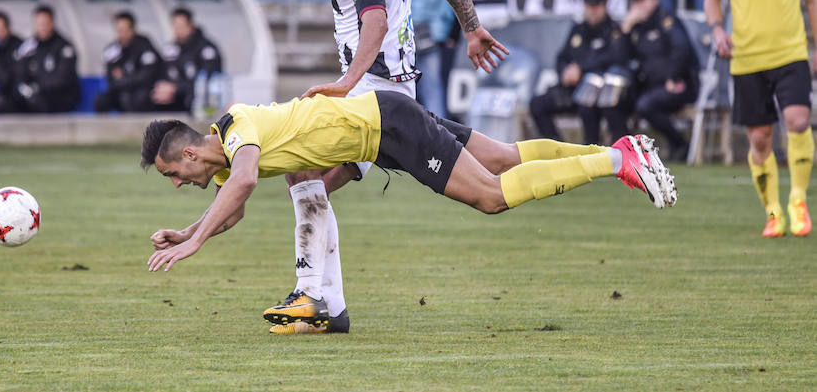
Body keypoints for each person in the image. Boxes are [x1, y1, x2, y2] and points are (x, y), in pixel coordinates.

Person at [139, 94, 679, 324]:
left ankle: (615, 160)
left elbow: (247, 182)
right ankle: (619, 149)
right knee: (503, 157)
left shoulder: (234, 126)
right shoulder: (232, 156)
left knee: (491, 194)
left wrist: (193, 243)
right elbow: (234, 203)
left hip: (389, 127)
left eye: (173, 176)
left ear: (188, 153)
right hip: (386, 122)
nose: (180, 184)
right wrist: (190, 231)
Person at [259, 0, 508, 335]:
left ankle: (314, 297)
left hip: (373, 96)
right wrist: (472, 28)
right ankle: (326, 306)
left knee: (302, 170)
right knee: (308, 181)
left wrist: (345, 83)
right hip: (393, 92)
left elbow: (373, 21)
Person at [704, 0, 817, 238]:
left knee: (798, 121)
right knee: (760, 141)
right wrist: (718, 30)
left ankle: (798, 199)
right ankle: (773, 211)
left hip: (791, 52)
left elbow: (812, 1)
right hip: (747, 58)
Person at [529, 0, 631, 145]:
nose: (593, 11)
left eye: (597, 6)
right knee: (537, 104)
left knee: (588, 103)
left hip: (599, 93)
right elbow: (562, 57)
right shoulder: (578, 30)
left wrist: (581, 70)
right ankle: (558, 149)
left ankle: (592, 150)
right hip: (572, 90)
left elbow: (616, 58)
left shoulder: (614, 31)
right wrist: (565, 73)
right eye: (589, 6)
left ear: (605, 6)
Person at [621, 0, 698, 161]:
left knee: (645, 106)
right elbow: (622, 59)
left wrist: (673, 76)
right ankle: (625, 154)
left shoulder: (666, 19)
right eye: (634, 1)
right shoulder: (636, 27)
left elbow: (681, 49)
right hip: (650, 85)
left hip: (678, 84)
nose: (637, 6)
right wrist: (625, 30)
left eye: (642, 0)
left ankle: (679, 142)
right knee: (619, 100)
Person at [152, 7, 222, 112]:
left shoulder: (206, 49)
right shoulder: (171, 48)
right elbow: (162, 72)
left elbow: (207, 79)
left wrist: (176, 88)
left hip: (199, 98)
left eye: (181, 26)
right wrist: (163, 87)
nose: (178, 30)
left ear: (191, 26)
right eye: (175, 26)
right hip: (174, 96)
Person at [12, 5, 80, 113]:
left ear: (52, 23)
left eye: (45, 24)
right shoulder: (29, 46)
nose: (42, 27)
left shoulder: (64, 47)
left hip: (60, 96)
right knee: (10, 100)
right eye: (39, 24)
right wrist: (24, 87)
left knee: (39, 101)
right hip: (34, 93)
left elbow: (62, 79)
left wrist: (37, 87)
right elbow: (19, 71)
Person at [94, 11, 162, 113]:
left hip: (141, 91)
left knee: (136, 97)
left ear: (133, 29)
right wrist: (132, 78)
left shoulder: (145, 45)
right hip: (122, 90)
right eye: (119, 30)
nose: (123, 34)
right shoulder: (112, 50)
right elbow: (111, 80)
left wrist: (124, 78)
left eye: (126, 30)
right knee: (101, 99)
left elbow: (147, 76)